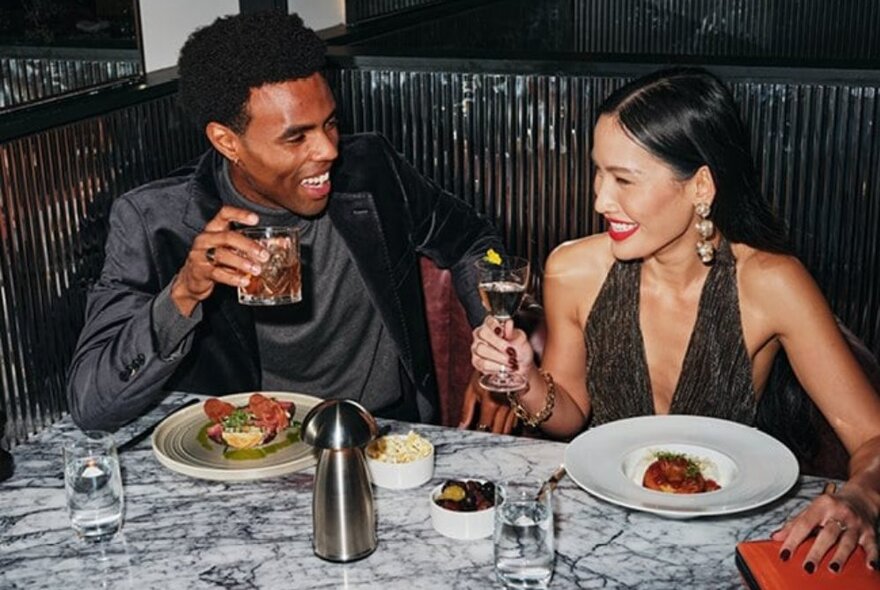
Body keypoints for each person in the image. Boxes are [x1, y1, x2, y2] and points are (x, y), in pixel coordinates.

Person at [470, 67, 880, 572]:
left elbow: (872, 437)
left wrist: (862, 497)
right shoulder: (572, 269)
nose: (600, 199)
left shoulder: (771, 283)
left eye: (624, 179)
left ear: (700, 186)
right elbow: (571, 412)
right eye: (598, 172)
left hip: (723, 552)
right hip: (601, 542)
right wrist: (525, 378)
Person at [66, 11, 502, 431]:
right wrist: (182, 294)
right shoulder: (154, 221)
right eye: (296, 137)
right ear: (227, 141)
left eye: (329, 124)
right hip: (248, 455)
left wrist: (494, 343)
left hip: (380, 432)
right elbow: (91, 404)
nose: (328, 150)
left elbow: (475, 243)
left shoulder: (372, 170)